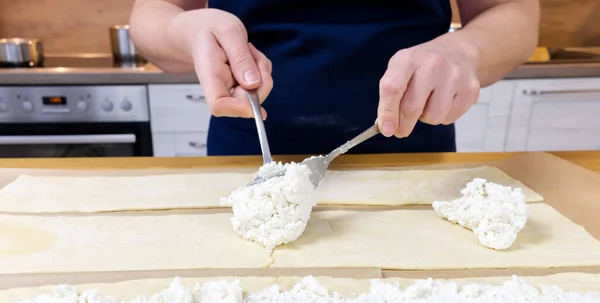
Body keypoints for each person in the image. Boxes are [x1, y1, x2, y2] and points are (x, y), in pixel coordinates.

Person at [129, 1, 539, 156]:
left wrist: (462, 51)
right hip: (249, 152)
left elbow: (514, 13)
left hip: (412, 154)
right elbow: (152, 14)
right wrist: (185, 31)